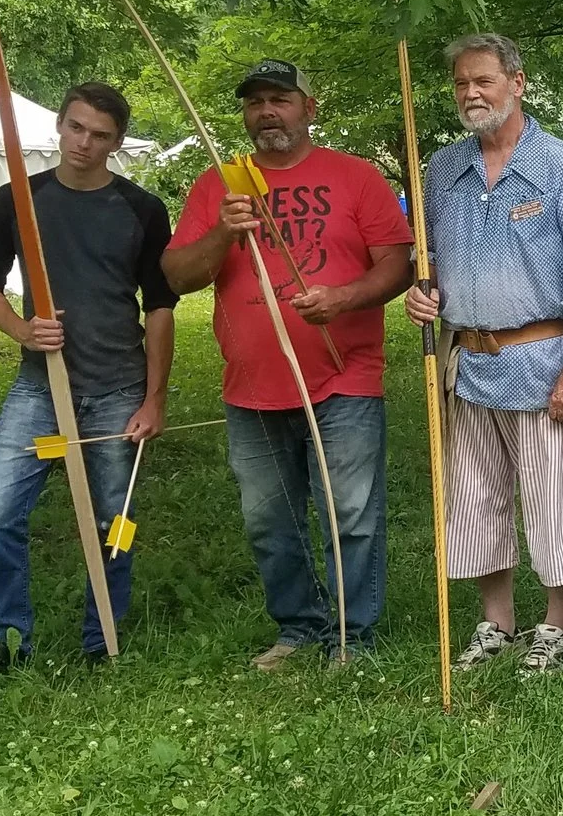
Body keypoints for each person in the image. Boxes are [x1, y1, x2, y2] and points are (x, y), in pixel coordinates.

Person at [166, 59, 413, 669]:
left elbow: (397, 266)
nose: (267, 112)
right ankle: (299, 627)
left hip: (345, 374)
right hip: (252, 384)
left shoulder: (355, 176)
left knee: (349, 513)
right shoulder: (219, 184)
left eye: (280, 99)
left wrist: (343, 298)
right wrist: (223, 232)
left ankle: (353, 637)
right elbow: (177, 276)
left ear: (309, 107)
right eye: (255, 103)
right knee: (269, 521)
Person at [405, 33, 563, 677]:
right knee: (474, 501)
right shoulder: (442, 171)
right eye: (461, 84)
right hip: (468, 365)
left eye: (484, 81)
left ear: (517, 83)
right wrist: (422, 293)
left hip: (544, 364)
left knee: (555, 499)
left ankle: (555, 628)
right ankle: (496, 622)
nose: (470, 93)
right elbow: (428, 264)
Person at [0, 83, 176, 682]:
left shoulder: (141, 209)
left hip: (118, 389)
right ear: (59, 125)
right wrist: (23, 331)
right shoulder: (20, 199)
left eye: (100, 135)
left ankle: (103, 638)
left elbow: (160, 306)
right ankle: (6, 643)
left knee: (113, 523)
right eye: (76, 128)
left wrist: (154, 399)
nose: (84, 143)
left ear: (117, 143)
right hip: (40, 388)